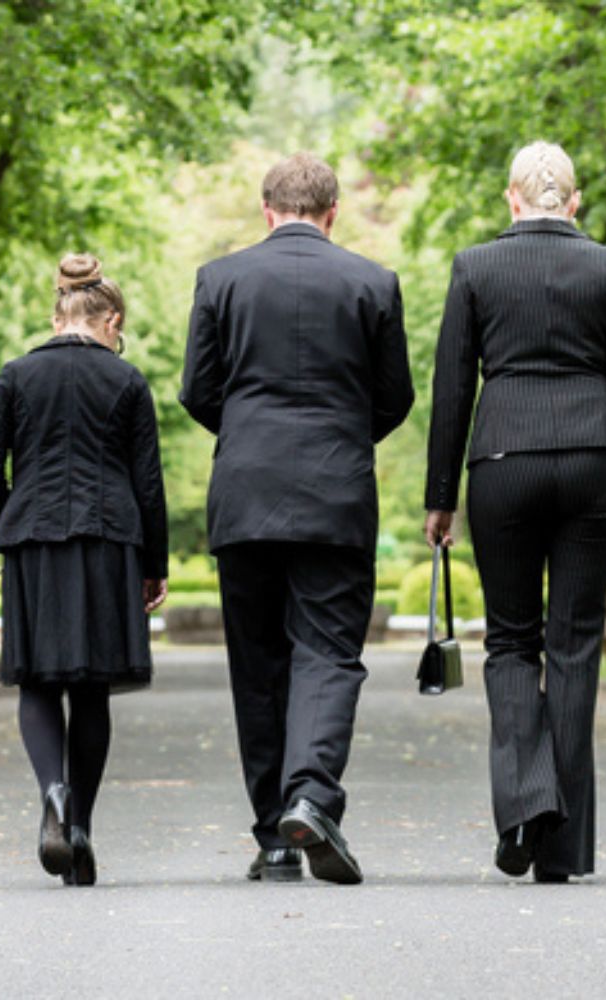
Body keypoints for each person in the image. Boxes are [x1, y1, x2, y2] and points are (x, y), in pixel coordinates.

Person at [424, 142, 606, 883]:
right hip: (597, 459)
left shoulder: (476, 267)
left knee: (510, 643)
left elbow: (453, 386)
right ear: (576, 201)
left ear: (512, 198)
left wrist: (440, 497)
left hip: (503, 460)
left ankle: (528, 804)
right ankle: (561, 847)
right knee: (574, 646)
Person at [180, 152, 413, 885]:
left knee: (257, 662)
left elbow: (197, 388)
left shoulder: (221, 280)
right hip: (336, 491)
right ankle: (311, 794)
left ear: (266, 209)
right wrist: (342, 437)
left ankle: (273, 837)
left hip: (245, 490)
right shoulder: (373, 283)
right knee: (329, 652)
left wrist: (250, 435)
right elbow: (395, 395)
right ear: (333, 212)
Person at [0, 253, 169, 887]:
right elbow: (148, 484)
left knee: (36, 680)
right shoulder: (127, 381)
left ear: (57, 316)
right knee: (90, 687)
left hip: (32, 539)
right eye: (122, 327)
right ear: (108, 318)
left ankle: (52, 793)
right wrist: (155, 565)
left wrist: (14, 520)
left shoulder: (15, 374)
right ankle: (78, 825)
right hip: (109, 539)